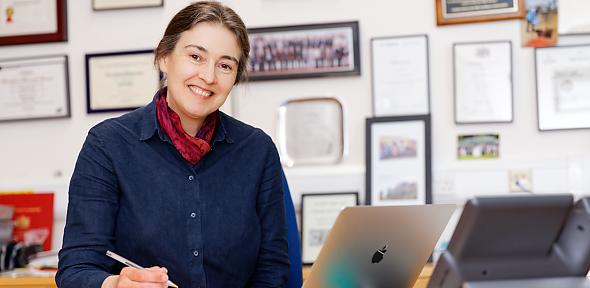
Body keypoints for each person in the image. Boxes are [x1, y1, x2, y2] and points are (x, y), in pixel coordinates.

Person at [56, 2, 290, 287]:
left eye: (225, 65)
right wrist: (116, 285)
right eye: (195, 56)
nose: (208, 76)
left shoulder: (257, 150)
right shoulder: (108, 144)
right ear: (165, 57)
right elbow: (77, 268)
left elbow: (273, 269)